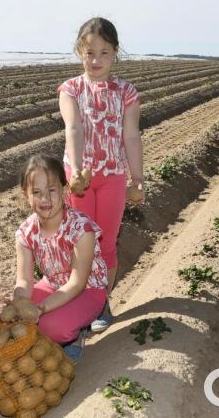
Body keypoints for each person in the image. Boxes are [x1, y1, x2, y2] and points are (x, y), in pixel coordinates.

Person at [58, 17, 145, 333]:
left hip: (113, 177)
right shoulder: (71, 89)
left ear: (115, 53)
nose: (96, 60)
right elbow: (74, 127)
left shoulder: (126, 92)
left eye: (104, 53)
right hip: (78, 177)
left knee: (106, 243)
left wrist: (138, 179)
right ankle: (75, 299)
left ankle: (101, 302)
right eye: (89, 52)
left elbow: (131, 136)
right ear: (79, 51)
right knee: (81, 243)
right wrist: (77, 170)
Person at [13, 155, 108, 362]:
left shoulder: (81, 228)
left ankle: (78, 334)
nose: (45, 199)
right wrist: (20, 302)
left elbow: (76, 283)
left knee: (52, 327)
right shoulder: (25, 233)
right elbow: (24, 280)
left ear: (64, 190)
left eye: (52, 190)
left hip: (87, 289)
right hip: (53, 285)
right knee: (12, 317)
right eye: (36, 192)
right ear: (25, 196)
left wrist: (41, 308)